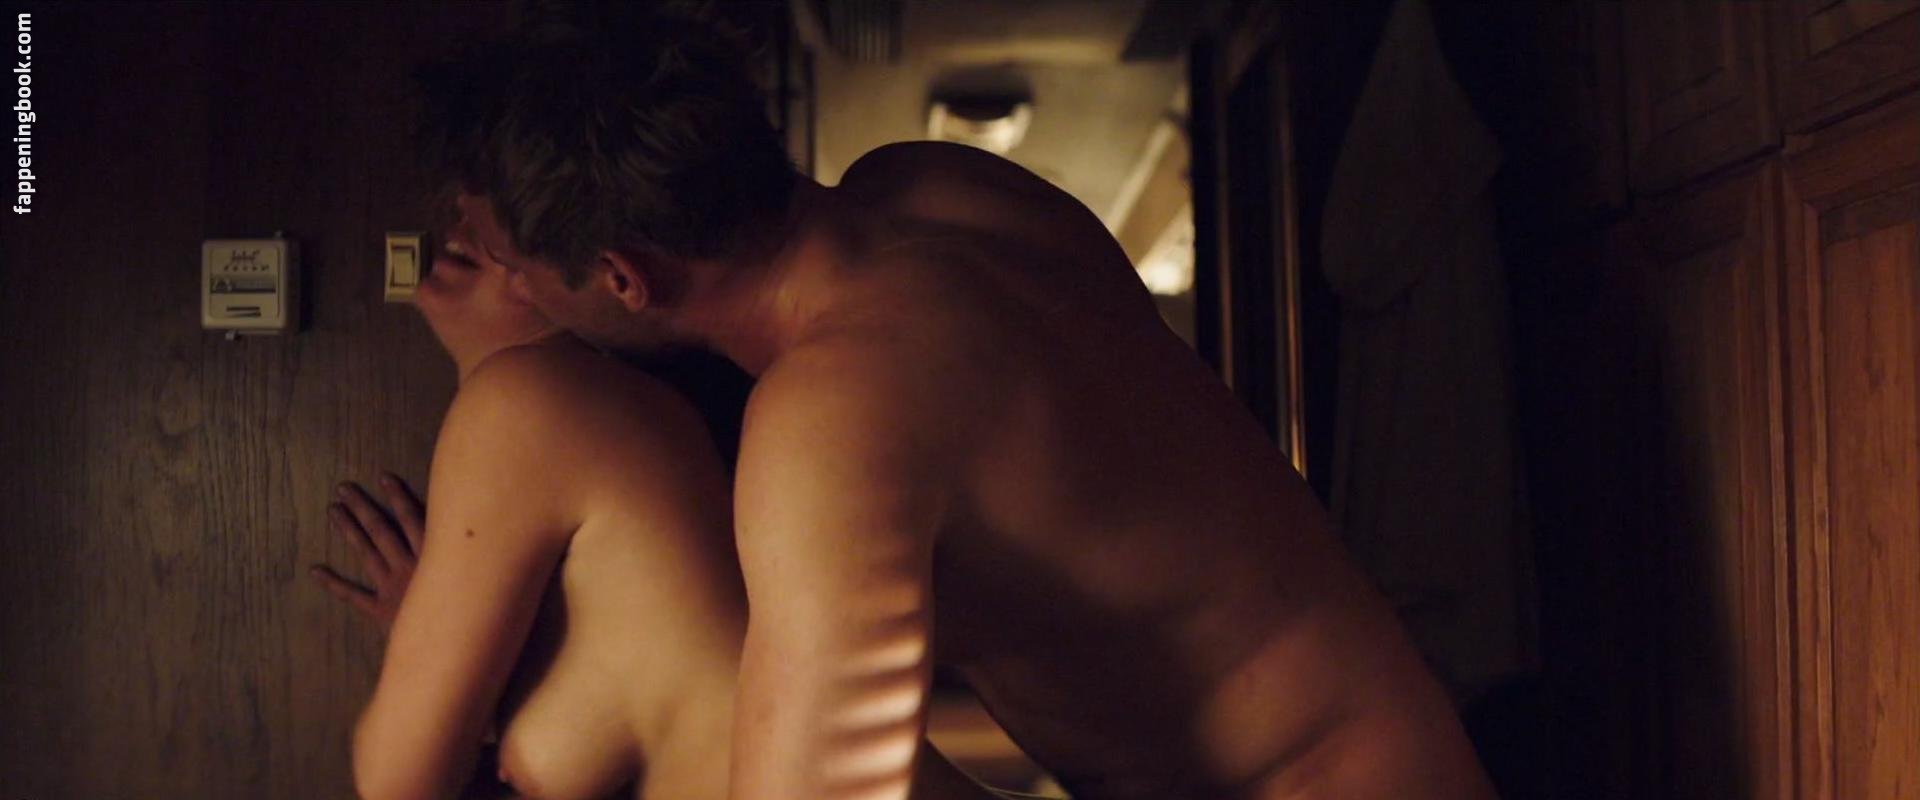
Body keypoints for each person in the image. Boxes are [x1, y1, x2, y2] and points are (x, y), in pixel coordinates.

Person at [421, 7, 1499, 800]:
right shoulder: (936, 189)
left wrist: (506, 393)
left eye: (515, 267)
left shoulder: (833, 412)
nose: (509, 289)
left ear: (622, 276)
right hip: (1391, 739)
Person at [307, 202, 996, 800]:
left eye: (506, 235)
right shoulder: (582, 426)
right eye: (470, 213)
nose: (468, 231)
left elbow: (396, 784)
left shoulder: (529, 402)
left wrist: (425, 648)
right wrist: (443, 640)